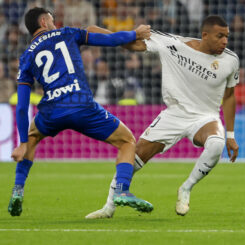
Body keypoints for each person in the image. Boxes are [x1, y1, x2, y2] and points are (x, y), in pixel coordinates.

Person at [85, 15, 239, 219]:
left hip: (205, 117)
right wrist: (98, 34)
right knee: (135, 156)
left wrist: (230, 134)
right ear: (205, 35)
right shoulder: (172, 44)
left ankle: (186, 188)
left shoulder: (230, 60)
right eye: (220, 36)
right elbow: (132, 44)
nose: (225, 41)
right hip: (174, 114)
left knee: (216, 144)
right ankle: (108, 207)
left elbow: (229, 97)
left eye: (227, 36)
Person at [8, 7, 153, 217]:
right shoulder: (68, 33)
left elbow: (22, 107)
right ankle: (122, 190)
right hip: (81, 104)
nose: (54, 22)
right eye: (51, 19)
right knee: (127, 141)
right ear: (43, 21)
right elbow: (111, 41)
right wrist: (135, 33)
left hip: (52, 111)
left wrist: (21, 142)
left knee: (31, 137)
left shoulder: (26, 56)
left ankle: (18, 190)